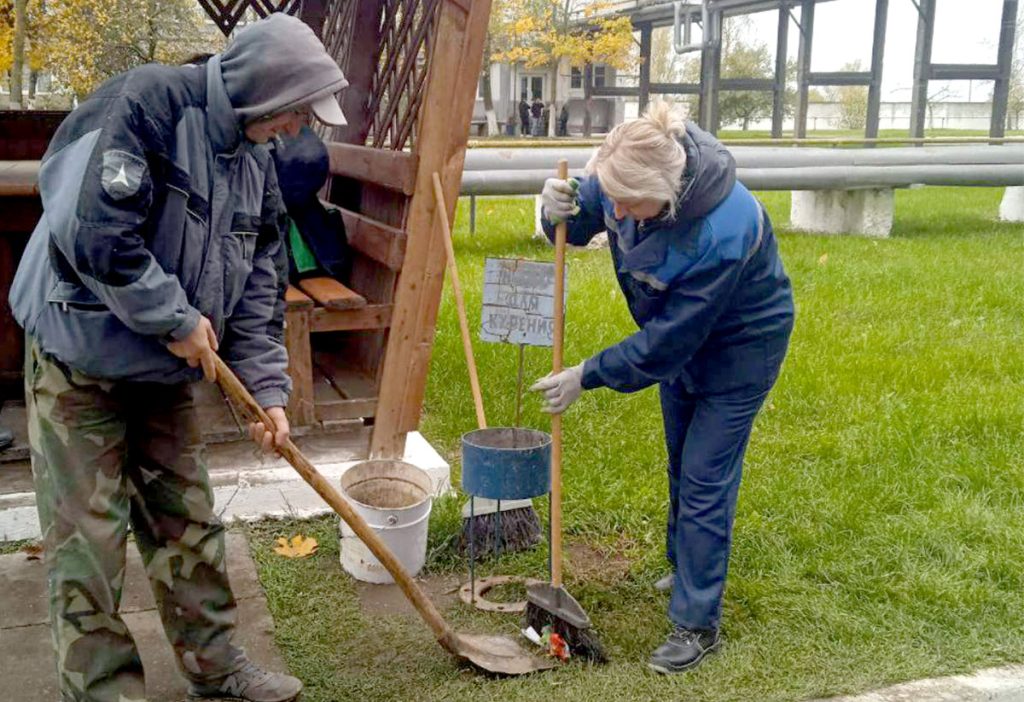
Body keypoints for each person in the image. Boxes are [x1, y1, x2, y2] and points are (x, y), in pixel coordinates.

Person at [8, 13, 348, 702]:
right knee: (87, 545)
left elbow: (259, 283)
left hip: (166, 366)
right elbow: (94, 234)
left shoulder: (257, 163)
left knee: (187, 519)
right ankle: (106, 692)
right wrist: (176, 317)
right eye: (294, 114)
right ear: (261, 92)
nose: (297, 130)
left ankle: (217, 670)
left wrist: (266, 390)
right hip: (80, 357)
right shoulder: (149, 104)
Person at [533, 101, 794, 674]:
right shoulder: (627, 178)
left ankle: (697, 623)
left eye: (628, 204)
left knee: (706, 475)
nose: (618, 213)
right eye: (612, 198)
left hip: (742, 350)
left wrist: (587, 374)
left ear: (667, 197)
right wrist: (551, 207)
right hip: (679, 337)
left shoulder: (726, 228)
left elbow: (669, 344)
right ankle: (684, 566)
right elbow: (585, 212)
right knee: (680, 457)